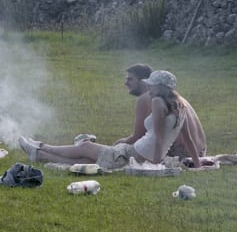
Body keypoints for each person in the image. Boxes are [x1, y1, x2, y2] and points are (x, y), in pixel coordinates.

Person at [22, 69, 195, 167]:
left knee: (86, 146)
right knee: (87, 160)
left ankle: (42, 147)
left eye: (152, 85)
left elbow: (158, 136)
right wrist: (198, 164)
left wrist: (156, 162)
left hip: (134, 154)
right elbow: (188, 139)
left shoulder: (157, 101)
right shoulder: (180, 107)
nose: (149, 88)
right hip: (139, 153)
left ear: (160, 87)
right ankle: (39, 153)